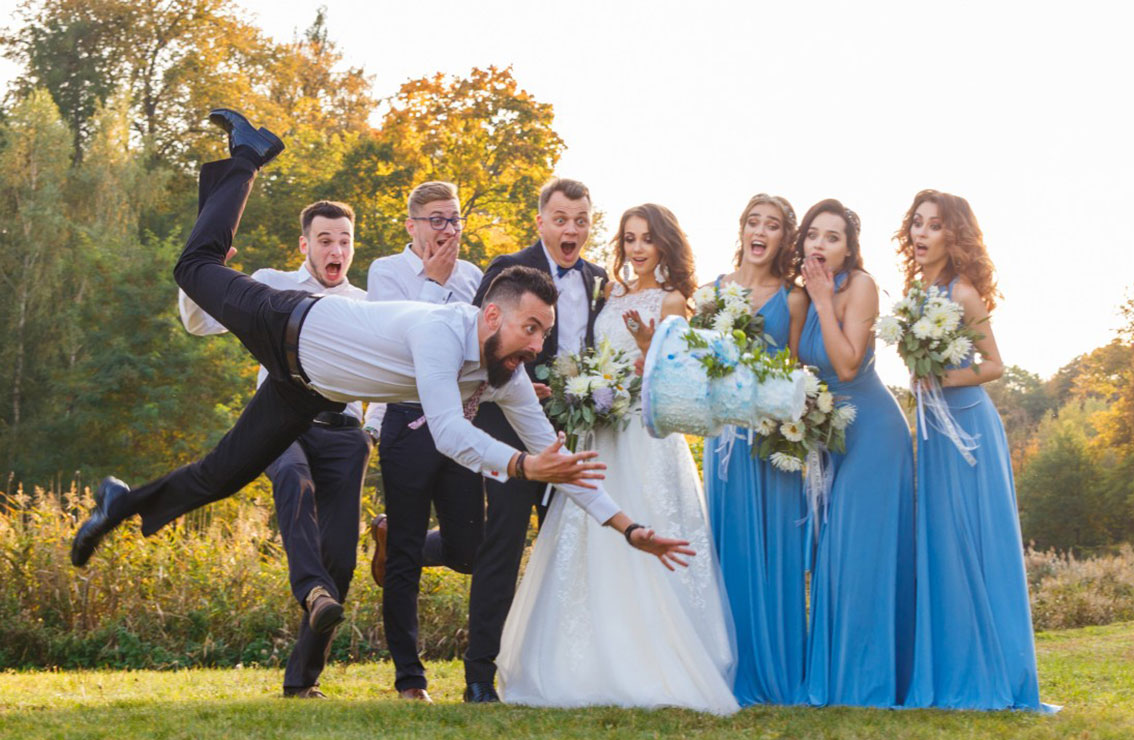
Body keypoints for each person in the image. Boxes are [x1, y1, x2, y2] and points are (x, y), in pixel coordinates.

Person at [70, 110, 694, 619]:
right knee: (193, 269)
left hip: (307, 389)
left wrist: (632, 529)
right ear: (492, 317)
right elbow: (449, 434)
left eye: (544, 334)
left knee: (221, 475)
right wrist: (526, 464)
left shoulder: (504, 374)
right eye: (531, 329)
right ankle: (246, 157)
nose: (537, 346)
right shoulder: (440, 332)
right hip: (288, 323)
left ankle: (119, 506)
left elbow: (565, 470)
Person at [498, 204, 739, 714]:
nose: (636, 248)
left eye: (647, 239)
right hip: (600, 431)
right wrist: (585, 391)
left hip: (645, 435)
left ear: (664, 244)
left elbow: (676, 377)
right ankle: (584, 661)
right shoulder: (610, 293)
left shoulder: (674, 300)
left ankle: (656, 658)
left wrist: (649, 349)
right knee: (589, 538)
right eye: (629, 238)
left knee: (648, 523)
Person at [178, 198, 372, 699]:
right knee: (292, 478)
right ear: (304, 245)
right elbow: (200, 324)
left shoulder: (368, 304)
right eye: (325, 240)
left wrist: (375, 431)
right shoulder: (272, 283)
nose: (336, 249)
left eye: (344, 241)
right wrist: (208, 272)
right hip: (283, 423)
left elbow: (392, 372)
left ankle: (302, 681)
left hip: (345, 431)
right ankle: (310, 588)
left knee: (343, 561)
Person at [895, 190, 1054, 711]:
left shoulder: (962, 293)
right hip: (935, 431)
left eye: (934, 225)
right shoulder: (917, 293)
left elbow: (993, 366)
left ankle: (994, 673)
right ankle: (949, 668)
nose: (921, 234)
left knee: (975, 541)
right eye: (916, 224)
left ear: (953, 235)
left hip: (969, 428)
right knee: (941, 542)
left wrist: (939, 375)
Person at [464, 178, 609, 703]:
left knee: (566, 552)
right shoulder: (506, 269)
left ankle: (560, 674)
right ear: (541, 222)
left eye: (581, 220)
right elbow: (478, 345)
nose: (572, 229)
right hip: (508, 434)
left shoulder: (600, 280)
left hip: (570, 435)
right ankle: (479, 675)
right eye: (562, 218)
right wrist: (519, 378)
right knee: (501, 545)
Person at [363, 181, 484, 702]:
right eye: (436, 219)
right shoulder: (385, 273)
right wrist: (434, 282)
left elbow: (478, 345)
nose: (447, 229)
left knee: (469, 549)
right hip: (407, 422)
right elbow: (397, 344)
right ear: (411, 224)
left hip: (460, 422)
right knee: (407, 558)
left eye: (454, 219)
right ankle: (410, 679)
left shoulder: (475, 277)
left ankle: (389, 536)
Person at [794, 199, 915, 708]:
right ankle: (837, 677)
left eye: (833, 237)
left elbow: (845, 366)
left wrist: (823, 300)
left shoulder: (859, 286)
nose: (821, 244)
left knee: (856, 553)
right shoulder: (802, 295)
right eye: (814, 235)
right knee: (831, 557)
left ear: (849, 249)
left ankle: (865, 684)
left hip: (872, 434)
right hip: (828, 436)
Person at [703, 194, 810, 706]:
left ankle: (777, 669)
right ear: (742, 229)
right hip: (725, 439)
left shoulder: (792, 298)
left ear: (783, 237)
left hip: (770, 440)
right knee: (730, 550)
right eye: (753, 222)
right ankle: (727, 667)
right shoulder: (713, 292)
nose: (759, 231)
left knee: (776, 552)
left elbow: (794, 372)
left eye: (772, 225)